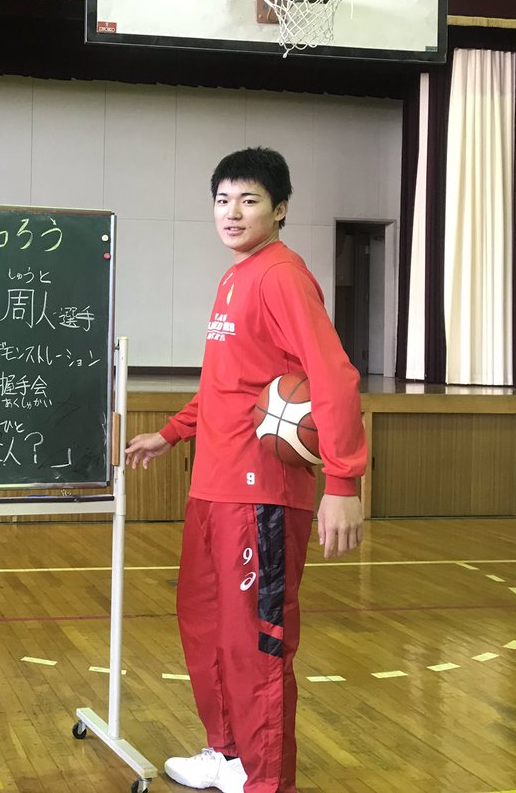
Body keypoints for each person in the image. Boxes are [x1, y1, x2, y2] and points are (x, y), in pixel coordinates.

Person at [125, 147, 366, 793]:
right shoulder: (234, 278)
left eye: (249, 200)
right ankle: (227, 754)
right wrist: (172, 433)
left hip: (262, 494)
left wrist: (344, 480)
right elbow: (226, 386)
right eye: (222, 200)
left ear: (280, 209)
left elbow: (334, 375)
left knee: (257, 643)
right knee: (206, 627)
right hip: (213, 486)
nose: (231, 213)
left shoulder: (282, 276)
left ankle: (267, 782)